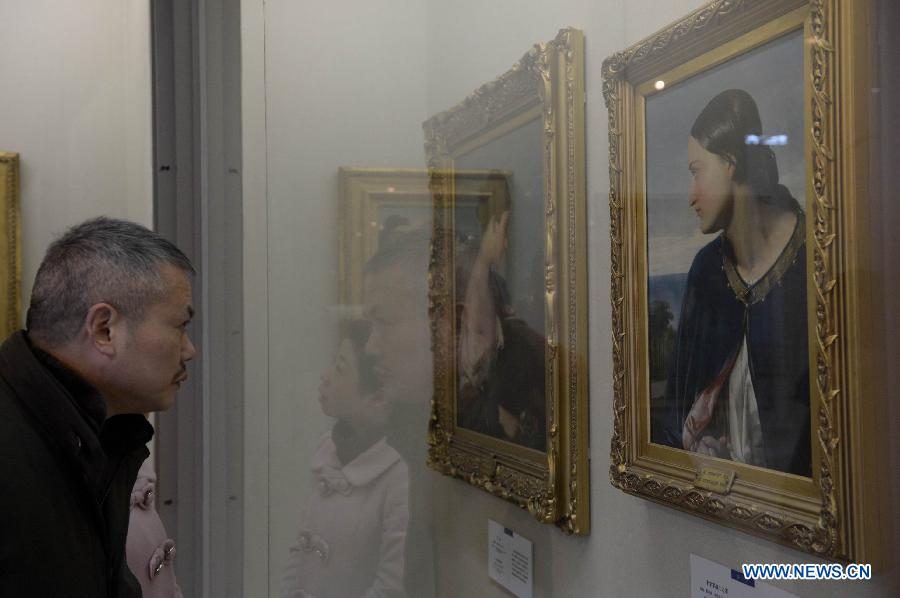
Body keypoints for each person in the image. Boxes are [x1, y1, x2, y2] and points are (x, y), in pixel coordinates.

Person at [0, 217, 195, 596]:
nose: (190, 351)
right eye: (180, 326)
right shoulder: (18, 446)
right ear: (105, 329)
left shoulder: (96, 438)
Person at [658, 89, 810, 476]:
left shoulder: (814, 257)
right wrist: (703, 444)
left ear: (729, 163)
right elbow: (679, 414)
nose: (691, 196)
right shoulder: (707, 272)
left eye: (696, 172)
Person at [281, 320, 409, 598]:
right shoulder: (328, 447)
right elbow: (301, 549)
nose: (325, 376)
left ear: (377, 399)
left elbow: (391, 587)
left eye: (339, 369)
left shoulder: (398, 476)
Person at [455, 191, 545, 450]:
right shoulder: (465, 279)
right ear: (494, 226)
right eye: (504, 231)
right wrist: (494, 412)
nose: (505, 243)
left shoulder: (495, 283)